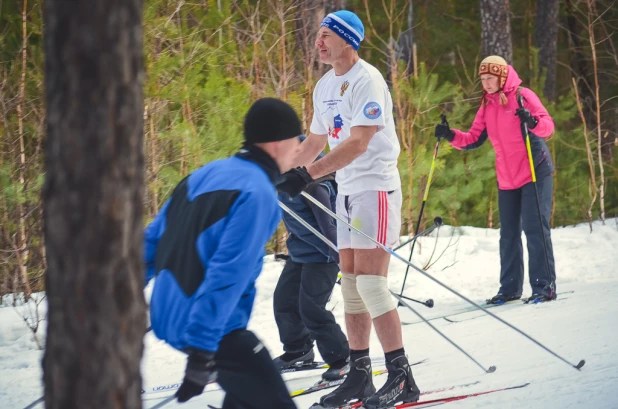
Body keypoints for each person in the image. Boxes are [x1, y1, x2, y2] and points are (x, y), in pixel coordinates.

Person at [276, 10, 420, 409]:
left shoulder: (367, 80)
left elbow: (358, 143)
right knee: (354, 289)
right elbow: (311, 145)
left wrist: (310, 175)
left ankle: (402, 376)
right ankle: (359, 375)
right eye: (318, 36)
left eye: (326, 36)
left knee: (372, 285)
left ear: (347, 41)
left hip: (375, 187)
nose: (318, 42)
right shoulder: (324, 86)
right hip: (347, 193)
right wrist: (277, 171)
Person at [143, 98, 301, 409]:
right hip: (211, 330)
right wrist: (202, 351)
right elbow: (227, 273)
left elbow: (149, 244)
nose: (299, 148)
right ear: (278, 143)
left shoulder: (203, 174)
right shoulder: (258, 194)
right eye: (297, 139)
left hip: (171, 316)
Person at [434, 55, 557, 304]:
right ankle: (510, 289)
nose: (486, 83)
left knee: (534, 230)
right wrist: (449, 134)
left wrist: (531, 121)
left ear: (502, 76)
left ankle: (544, 287)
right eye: (482, 79)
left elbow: (548, 126)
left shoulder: (523, 95)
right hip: (508, 178)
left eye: (490, 78)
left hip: (535, 171)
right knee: (508, 234)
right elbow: (473, 138)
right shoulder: (488, 104)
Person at [274, 141, 350, 381]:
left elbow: (329, 226)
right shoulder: (281, 176)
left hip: (324, 256)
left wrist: (343, 257)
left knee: (311, 309)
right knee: (284, 302)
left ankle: (342, 358)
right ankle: (299, 350)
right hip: (300, 252)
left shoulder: (315, 184)